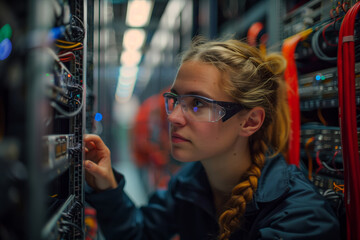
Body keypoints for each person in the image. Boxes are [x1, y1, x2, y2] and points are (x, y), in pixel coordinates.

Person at [84, 38, 340, 240]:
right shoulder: (189, 181)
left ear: (250, 122)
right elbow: (140, 233)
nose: (173, 117)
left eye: (197, 104)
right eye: (174, 100)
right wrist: (107, 186)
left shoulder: (299, 218)